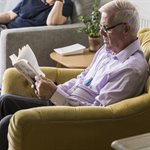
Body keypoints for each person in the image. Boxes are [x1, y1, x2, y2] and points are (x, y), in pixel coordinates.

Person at [0, 0, 149, 149]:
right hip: (64, 102)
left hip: (71, 118)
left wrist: (54, 94)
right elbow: (82, 77)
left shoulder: (131, 69)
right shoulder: (107, 50)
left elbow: (98, 114)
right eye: (101, 27)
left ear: (126, 30)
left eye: (106, 28)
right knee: (5, 100)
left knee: (8, 122)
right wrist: (55, 89)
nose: (100, 33)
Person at [0, 0, 73, 31]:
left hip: (13, 34)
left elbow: (51, 22)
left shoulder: (64, 4)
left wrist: (59, 1)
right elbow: (9, 15)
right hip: (4, 28)